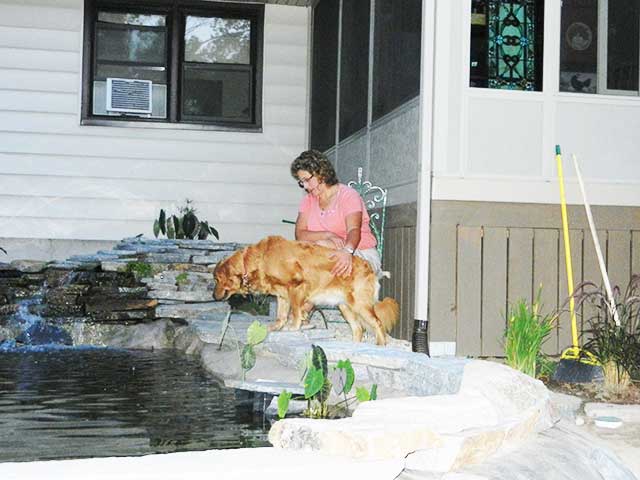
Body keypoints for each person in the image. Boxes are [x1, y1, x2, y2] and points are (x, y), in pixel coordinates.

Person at [290, 149, 381, 278]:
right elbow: (300, 234)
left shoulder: (348, 196)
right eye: (301, 182)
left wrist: (346, 251)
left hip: (359, 252)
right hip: (326, 254)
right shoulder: (308, 201)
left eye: (306, 180)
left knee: (321, 250)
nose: (305, 186)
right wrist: (328, 235)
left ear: (320, 173)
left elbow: (354, 229)